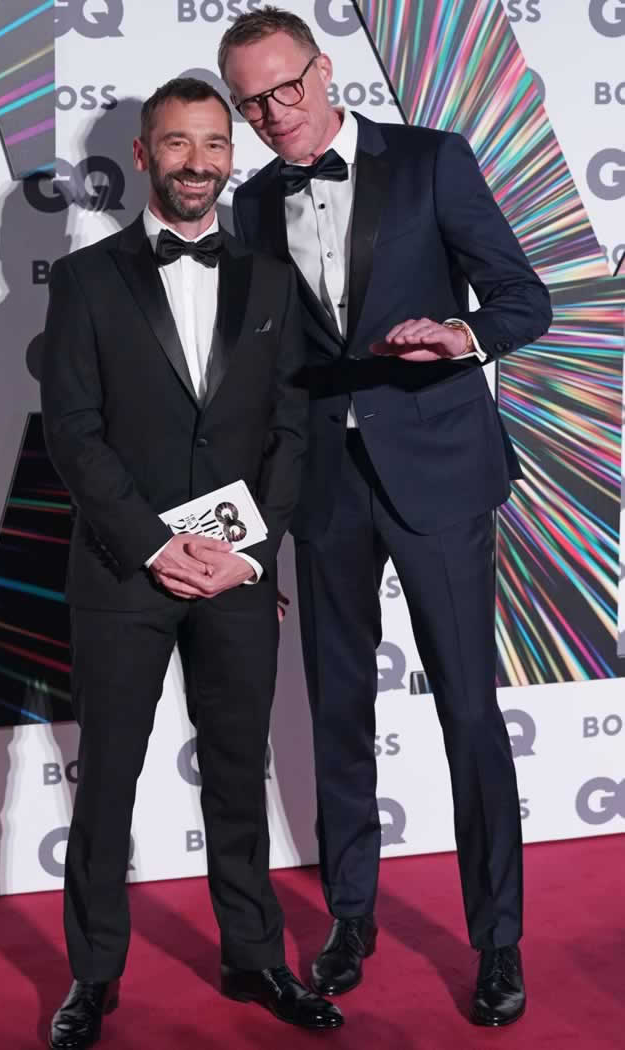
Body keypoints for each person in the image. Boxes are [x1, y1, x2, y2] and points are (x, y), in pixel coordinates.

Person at [220, 7, 552, 1028]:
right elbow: (261, 377)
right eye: (250, 102)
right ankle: (351, 918)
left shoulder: (430, 161)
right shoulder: (251, 206)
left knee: (467, 710)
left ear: (324, 72)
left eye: (286, 88)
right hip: (323, 485)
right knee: (336, 710)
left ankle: (497, 939)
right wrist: (252, 527)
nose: (274, 113)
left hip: (438, 471)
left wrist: (458, 335)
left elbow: (523, 300)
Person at [41, 77, 343, 1048]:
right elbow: (73, 432)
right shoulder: (85, 281)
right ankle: (93, 977)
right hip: (121, 574)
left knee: (237, 774)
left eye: (214, 143)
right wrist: (153, 543)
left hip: (237, 578)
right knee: (108, 781)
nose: (197, 162)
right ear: (142, 156)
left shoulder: (271, 280)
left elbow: (289, 431)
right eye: (176, 143)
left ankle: (253, 956)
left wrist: (249, 555)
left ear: (232, 156)